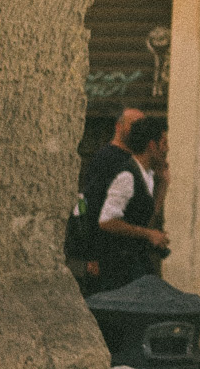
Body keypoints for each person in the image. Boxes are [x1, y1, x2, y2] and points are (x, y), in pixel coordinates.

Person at [67, 107, 146, 286]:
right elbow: (90, 204)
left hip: (127, 254)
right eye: (135, 125)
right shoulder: (107, 159)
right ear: (119, 127)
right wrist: (92, 255)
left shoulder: (136, 161)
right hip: (106, 256)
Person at [95, 115, 170, 292]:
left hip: (134, 262)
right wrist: (148, 234)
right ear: (152, 146)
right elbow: (106, 221)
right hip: (120, 268)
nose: (167, 149)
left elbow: (145, 218)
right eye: (164, 143)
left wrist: (163, 185)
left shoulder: (148, 176)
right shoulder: (127, 176)